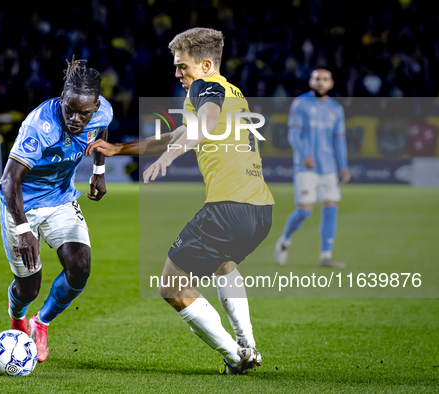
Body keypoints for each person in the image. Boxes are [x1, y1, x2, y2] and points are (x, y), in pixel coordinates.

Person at [86, 28, 274, 375]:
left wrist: (170, 157)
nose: (178, 74)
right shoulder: (233, 91)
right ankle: (247, 344)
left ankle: (237, 357)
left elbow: (205, 125)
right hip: (260, 210)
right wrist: (120, 148)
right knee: (224, 264)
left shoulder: (208, 86)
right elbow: (178, 132)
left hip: (228, 208)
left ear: (205, 64)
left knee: (172, 286)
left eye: (182, 67)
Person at [0, 58, 113, 363]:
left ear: (96, 106)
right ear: (61, 100)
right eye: (70, 109)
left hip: (60, 199)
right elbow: (9, 180)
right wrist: (24, 230)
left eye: (84, 113)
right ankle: (18, 316)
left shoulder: (103, 112)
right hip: (22, 203)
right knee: (28, 288)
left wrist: (98, 171)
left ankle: (41, 322)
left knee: (80, 267)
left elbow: (101, 135)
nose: (76, 118)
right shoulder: (40, 126)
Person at [273, 69, 350, 268]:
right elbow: (294, 135)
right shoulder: (301, 104)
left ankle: (326, 256)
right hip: (305, 166)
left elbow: (339, 141)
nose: (321, 83)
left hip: (329, 167)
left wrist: (344, 166)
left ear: (331, 83)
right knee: (305, 211)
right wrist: (303, 154)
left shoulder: (336, 109)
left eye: (325, 79)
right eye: (317, 79)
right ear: (311, 81)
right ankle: (284, 241)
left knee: (331, 209)